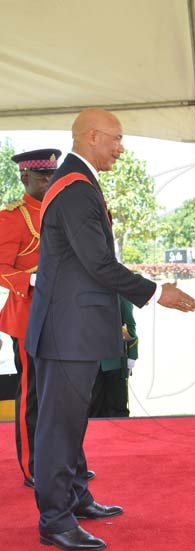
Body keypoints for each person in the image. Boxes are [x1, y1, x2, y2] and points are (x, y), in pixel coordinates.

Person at [25, 107, 195, 551]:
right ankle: (55, 519)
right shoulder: (77, 190)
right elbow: (98, 264)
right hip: (67, 331)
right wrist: (159, 292)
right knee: (58, 428)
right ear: (93, 137)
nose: (122, 148)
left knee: (72, 421)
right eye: (117, 139)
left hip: (70, 328)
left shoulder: (74, 182)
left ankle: (76, 497)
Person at [0, 149, 61, 488]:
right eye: (42, 177)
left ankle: (62, 461)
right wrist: (33, 279)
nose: (50, 182)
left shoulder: (61, 208)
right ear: (24, 178)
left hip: (62, 315)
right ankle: (32, 466)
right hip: (28, 315)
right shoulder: (12, 216)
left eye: (53, 175)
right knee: (32, 394)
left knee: (60, 394)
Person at [90, 295, 137, 418]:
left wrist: (132, 355)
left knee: (117, 408)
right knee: (92, 409)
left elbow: (130, 327)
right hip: (88, 362)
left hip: (114, 360)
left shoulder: (120, 294)